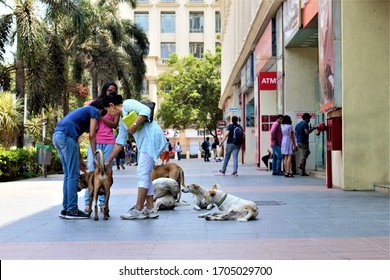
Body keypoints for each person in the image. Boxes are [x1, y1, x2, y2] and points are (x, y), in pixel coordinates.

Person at [102, 94, 166, 220]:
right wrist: (108, 160)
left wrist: (135, 125)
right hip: (145, 143)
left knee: (142, 173)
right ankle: (150, 208)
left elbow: (146, 110)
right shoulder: (122, 120)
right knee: (145, 174)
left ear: (111, 105)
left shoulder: (128, 103)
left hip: (151, 140)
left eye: (107, 110)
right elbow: (120, 141)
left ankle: (138, 209)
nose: (108, 114)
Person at [52, 101, 102, 219]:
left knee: (68, 175)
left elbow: (75, 140)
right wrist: (94, 156)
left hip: (58, 136)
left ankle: (66, 209)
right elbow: (92, 136)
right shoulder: (94, 111)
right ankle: (72, 210)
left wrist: (80, 160)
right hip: (67, 138)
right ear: (100, 110)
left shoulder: (80, 114)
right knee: (74, 175)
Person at [84, 81, 120, 212]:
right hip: (95, 140)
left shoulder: (115, 107)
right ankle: (88, 202)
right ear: (104, 90)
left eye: (114, 91)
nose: (112, 92)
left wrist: (102, 117)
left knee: (105, 171)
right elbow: (86, 117)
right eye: (110, 90)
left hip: (109, 141)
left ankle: (102, 204)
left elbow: (114, 125)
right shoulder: (94, 103)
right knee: (92, 170)